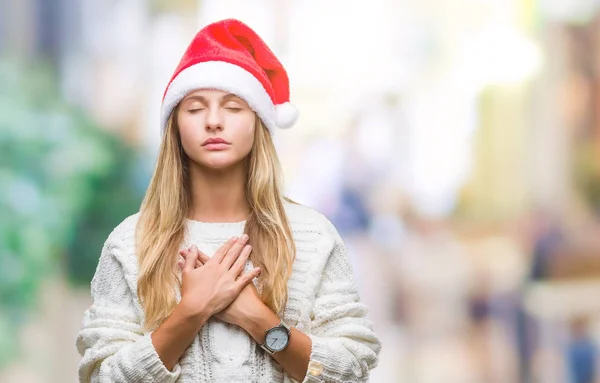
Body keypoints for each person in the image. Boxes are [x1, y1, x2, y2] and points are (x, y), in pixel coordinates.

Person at [76, 18, 381, 383]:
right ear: (175, 126)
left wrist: (257, 318)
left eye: (234, 107)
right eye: (195, 108)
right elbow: (103, 377)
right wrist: (190, 312)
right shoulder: (130, 243)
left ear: (258, 123)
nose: (214, 121)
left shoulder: (312, 237)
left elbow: (350, 372)